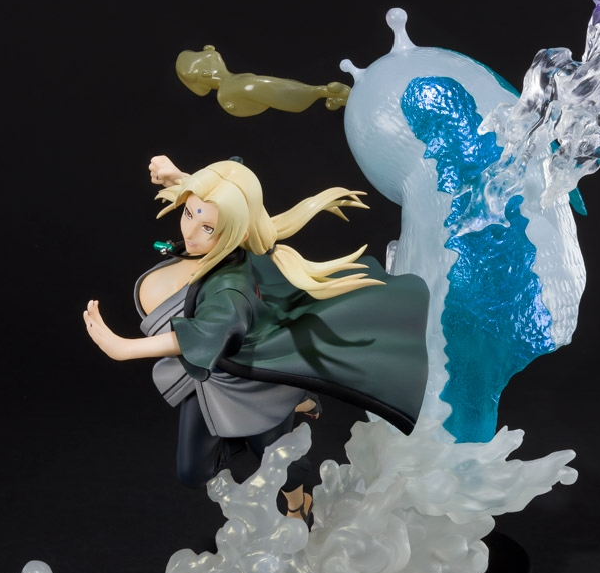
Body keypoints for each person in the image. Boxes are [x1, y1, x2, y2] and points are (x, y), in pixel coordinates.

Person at [84, 157, 429, 527]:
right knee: (192, 472)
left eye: (208, 227)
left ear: (234, 231)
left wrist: (125, 348)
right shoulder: (218, 238)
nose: (191, 232)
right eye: (188, 214)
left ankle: (297, 496)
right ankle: (293, 398)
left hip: (248, 380)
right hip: (208, 377)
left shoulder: (229, 288)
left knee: (274, 455)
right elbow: (225, 199)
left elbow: (208, 333)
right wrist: (181, 178)